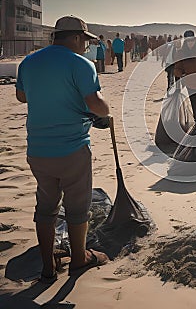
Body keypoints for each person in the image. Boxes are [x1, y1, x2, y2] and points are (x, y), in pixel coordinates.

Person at [15, 15, 109, 282]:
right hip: (72, 149)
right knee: (78, 207)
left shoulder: (30, 61)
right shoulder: (81, 64)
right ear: (77, 37)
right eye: (86, 42)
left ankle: (48, 265)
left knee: (45, 206)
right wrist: (106, 110)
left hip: (37, 149)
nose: (87, 47)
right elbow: (95, 104)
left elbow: (22, 96)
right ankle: (79, 259)